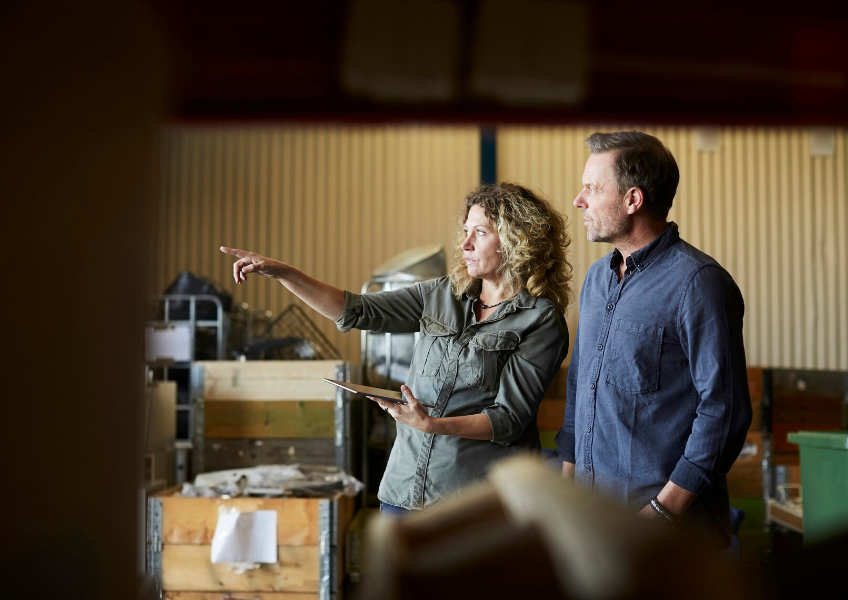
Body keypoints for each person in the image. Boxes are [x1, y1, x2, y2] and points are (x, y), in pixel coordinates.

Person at [222, 182, 572, 513]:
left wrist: (432, 425)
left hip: (474, 503)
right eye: (465, 231)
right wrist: (285, 274)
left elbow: (508, 420)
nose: (465, 244)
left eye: (479, 232)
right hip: (404, 490)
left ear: (516, 240)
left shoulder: (539, 319)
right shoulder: (441, 294)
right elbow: (356, 310)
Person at [556, 131, 751, 549]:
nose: (578, 200)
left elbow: (725, 411)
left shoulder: (699, 284)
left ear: (632, 199)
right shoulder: (596, 280)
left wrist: (662, 513)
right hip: (594, 526)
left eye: (592, 188)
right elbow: (579, 389)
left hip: (669, 539)